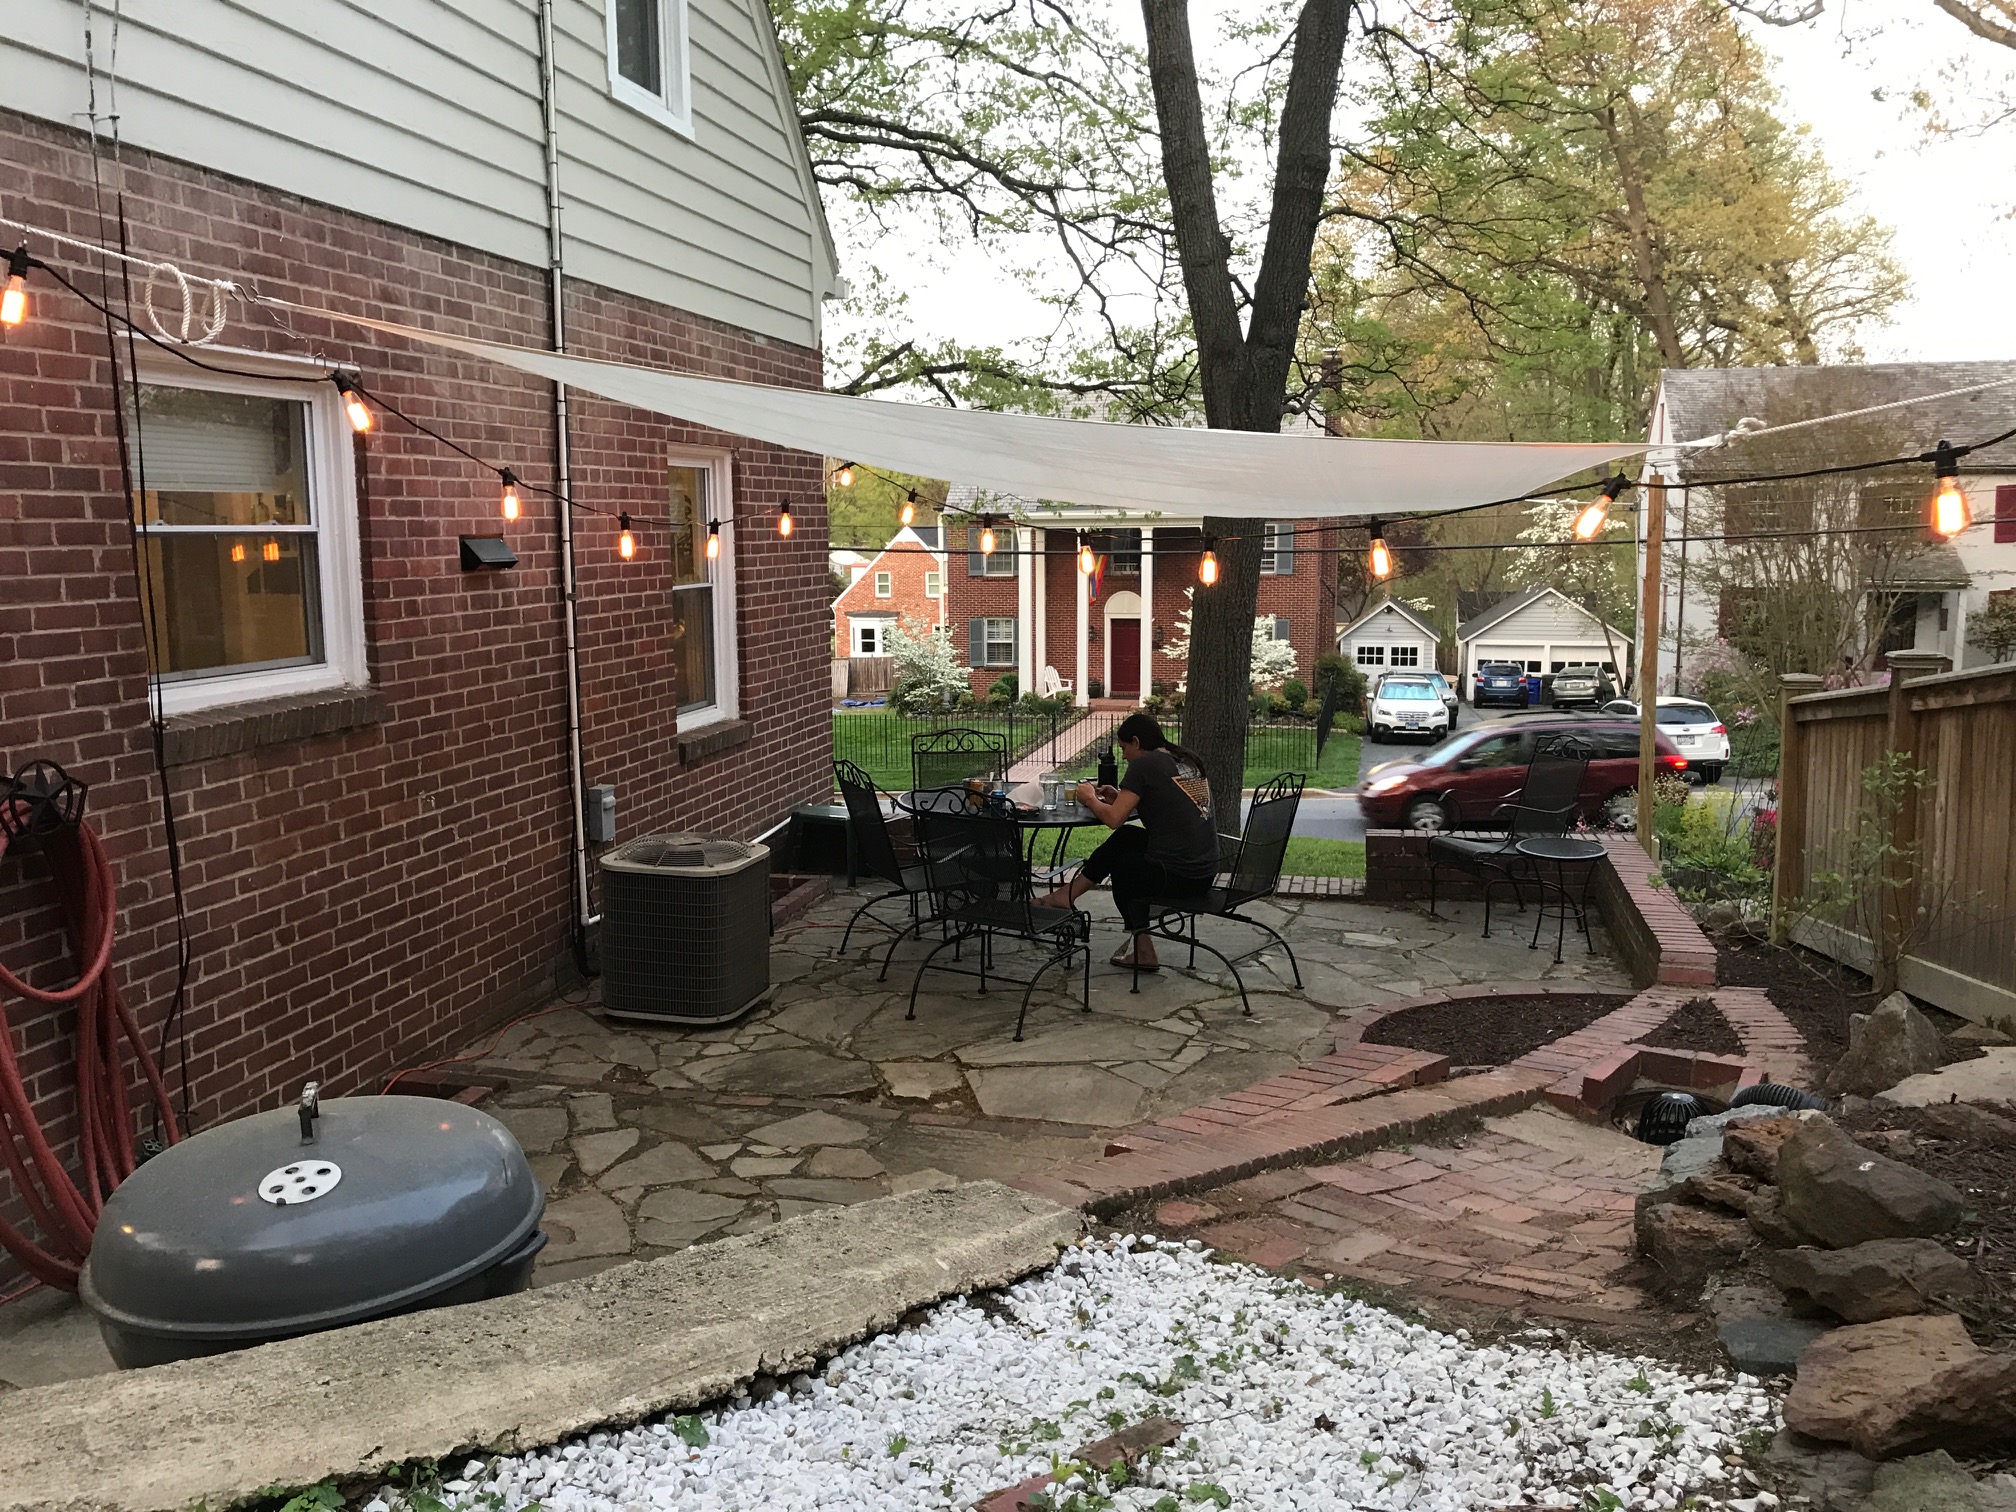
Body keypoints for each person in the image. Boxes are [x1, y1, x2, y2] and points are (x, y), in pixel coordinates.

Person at [1037, 712, 1218, 970]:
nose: (1122, 756)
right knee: (1127, 838)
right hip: (1203, 871)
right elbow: (1164, 806)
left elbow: (1113, 819)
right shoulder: (1184, 759)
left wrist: (1089, 797)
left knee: (1124, 866)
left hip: (1178, 876)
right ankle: (1067, 896)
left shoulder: (1145, 765)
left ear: (1135, 741)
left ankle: (1144, 952)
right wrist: (1119, 797)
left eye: (1123, 748)